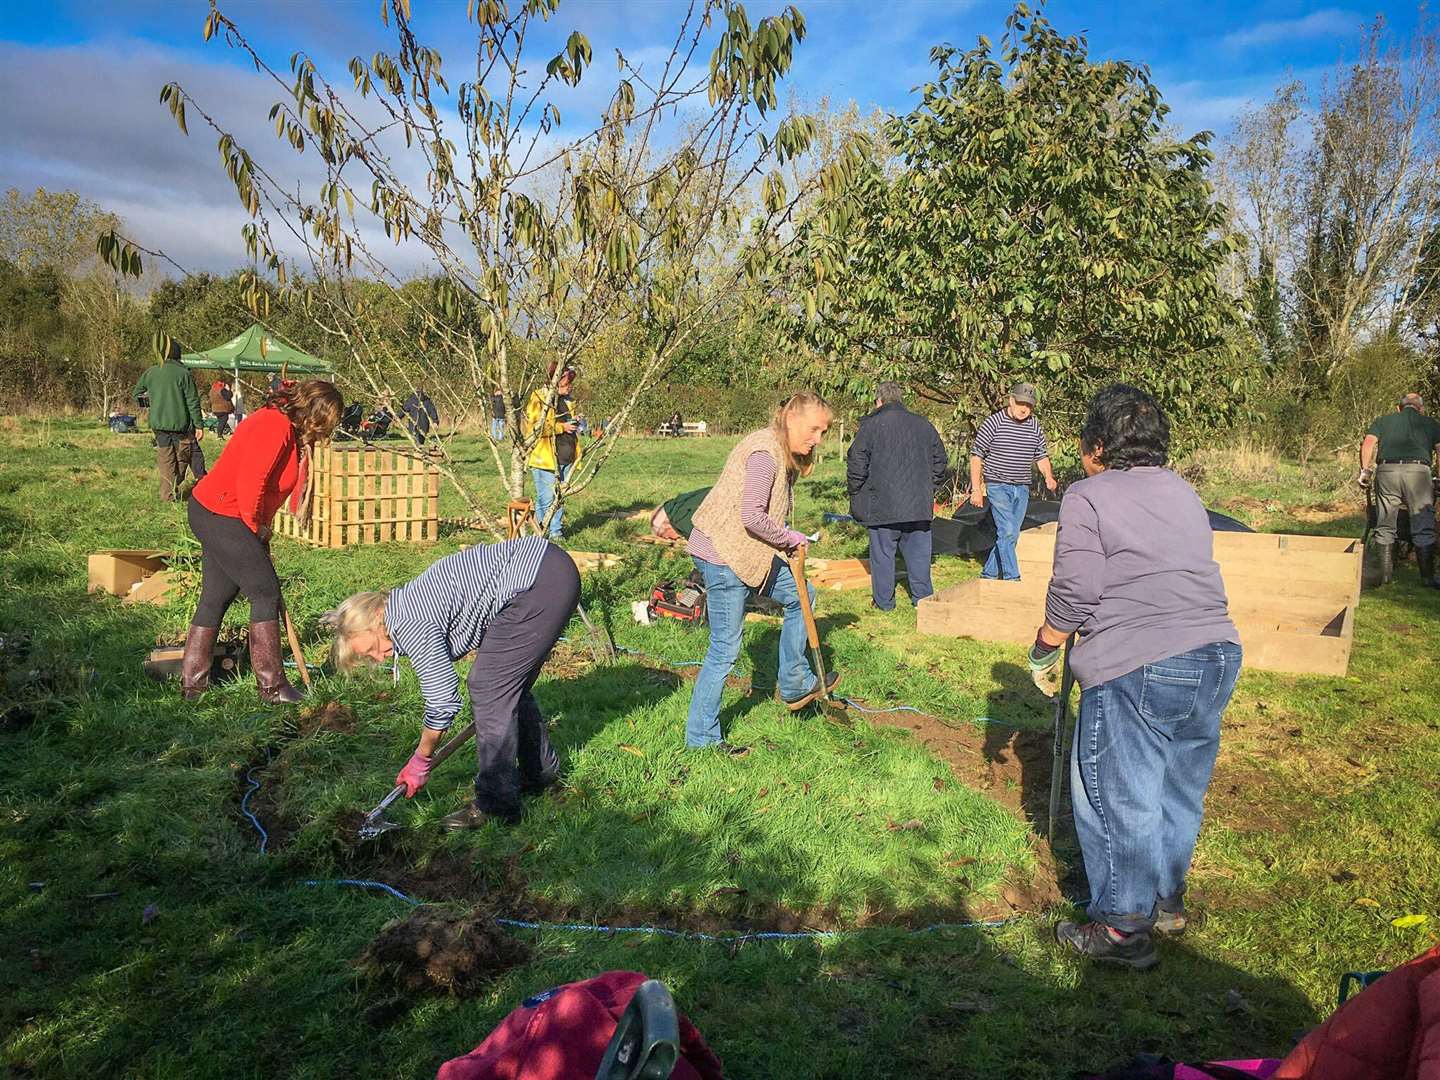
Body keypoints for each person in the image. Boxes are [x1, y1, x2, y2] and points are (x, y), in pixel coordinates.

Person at [1029, 384, 1240, 970]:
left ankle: (1124, 926)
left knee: (1116, 794)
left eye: (1083, 446)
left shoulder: (1088, 496)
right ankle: (1166, 902)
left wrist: (1046, 642)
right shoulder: (1184, 491)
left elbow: (1077, 588)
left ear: (1098, 445)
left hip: (1137, 663)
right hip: (1214, 653)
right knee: (1178, 784)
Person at [327, 536, 580, 828]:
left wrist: (421, 758)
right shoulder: (406, 605)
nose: (380, 657)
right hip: (548, 570)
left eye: (372, 648)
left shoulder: (406, 622)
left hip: (537, 581)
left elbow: (443, 700)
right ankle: (540, 774)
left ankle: (496, 805)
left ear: (377, 618)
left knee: (488, 686)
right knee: (502, 682)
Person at [685, 391, 838, 754]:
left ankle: (795, 680)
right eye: (814, 429)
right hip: (723, 556)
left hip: (747, 554)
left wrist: (784, 543)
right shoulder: (765, 454)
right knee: (725, 648)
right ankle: (702, 740)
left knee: (803, 596)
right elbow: (752, 516)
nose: (817, 439)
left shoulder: (781, 452)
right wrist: (790, 537)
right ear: (791, 419)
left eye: (823, 432)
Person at [179, 379, 344, 705]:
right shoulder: (274, 425)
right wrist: (255, 531)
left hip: (221, 512)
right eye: (328, 421)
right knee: (265, 591)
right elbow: (251, 483)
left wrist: (259, 527)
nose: (328, 430)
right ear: (314, 412)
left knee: (217, 595)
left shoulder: (287, 430)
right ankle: (272, 688)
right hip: (222, 513)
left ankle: (193, 689)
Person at [846, 381, 949, 610]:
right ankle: (923, 600)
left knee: (883, 556)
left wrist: (856, 490)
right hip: (918, 505)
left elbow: (856, 462)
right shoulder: (923, 424)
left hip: (883, 504)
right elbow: (940, 459)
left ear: (879, 401)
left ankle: (884, 603)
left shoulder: (870, 425)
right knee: (920, 556)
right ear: (900, 399)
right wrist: (930, 487)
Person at [968, 383, 1058, 580]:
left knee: (1010, 535)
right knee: (1008, 531)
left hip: (1022, 487)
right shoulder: (993, 423)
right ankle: (1012, 578)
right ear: (1011, 400)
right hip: (998, 485)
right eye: (1020, 403)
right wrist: (976, 488)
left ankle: (989, 574)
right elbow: (976, 456)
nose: (1024, 408)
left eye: (1029, 405)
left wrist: (1048, 476)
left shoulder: (1034, 425)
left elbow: (1041, 456)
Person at [1359, 392, 1440, 587]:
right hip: (1419, 473)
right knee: (1423, 524)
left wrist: (1366, 470)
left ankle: (1385, 577)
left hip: (1388, 471)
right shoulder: (1430, 423)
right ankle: (1428, 579)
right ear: (1420, 409)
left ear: (1399, 408)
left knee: (1385, 522)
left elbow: (1368, 443)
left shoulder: (1383, 421)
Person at [132, 338, 204, 501]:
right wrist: (199, 425)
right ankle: (173, 489)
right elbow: (192, 401)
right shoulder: (184, 374)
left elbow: (136, 395)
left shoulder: (151, 372)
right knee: (182, 458)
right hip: (181, 425)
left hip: (158, 425)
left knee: (166, 459)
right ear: (179, 356)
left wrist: (154, 402)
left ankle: (168, 495)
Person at [525, 364, 582, 540]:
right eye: (566, 382)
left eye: (570, 383)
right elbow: (535, 429)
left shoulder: (568, 400)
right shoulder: (539, 398)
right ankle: (546, 533)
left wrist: (574, 422)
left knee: (559, 497)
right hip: (545, 458)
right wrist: (561, 427)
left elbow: (566, 423)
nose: (569, 386)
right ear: (555, 380)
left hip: (565, 456)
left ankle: (553, 531)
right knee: (547, 498)